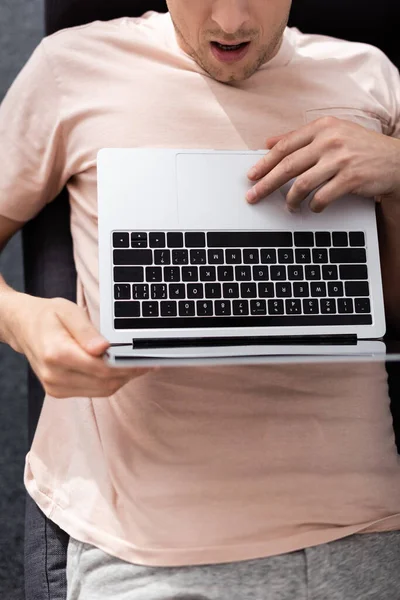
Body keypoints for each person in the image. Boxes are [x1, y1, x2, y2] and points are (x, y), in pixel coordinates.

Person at [1, 0, 400, 598]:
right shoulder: (72, 67)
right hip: (143, 546)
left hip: (356, 527)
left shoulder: (369, 76)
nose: (232, 23)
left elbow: (388, 308)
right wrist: (21, 319)